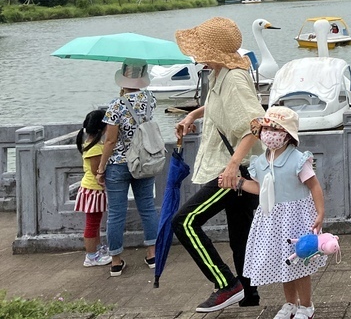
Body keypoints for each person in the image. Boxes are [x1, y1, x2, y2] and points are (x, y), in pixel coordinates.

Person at [173, 17, 266, 313]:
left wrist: (232, 166)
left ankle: (226, 284)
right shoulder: (221, 72)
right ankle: (249, 295)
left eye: (200, 47)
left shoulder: (234, 78)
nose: (195, 52)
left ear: (211, 51)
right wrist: (193, 116)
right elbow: (218, 105)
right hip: (233, 168)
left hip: (231, 171)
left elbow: (255, 126)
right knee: (240, 235)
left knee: (184, 222)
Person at [235, 106, 326, 319]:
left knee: (300, 262)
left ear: (287, 135)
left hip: (296, 218)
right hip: (272, 219)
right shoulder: (260, 162)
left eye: (275, 129)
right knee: (283, 263)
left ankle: (306, 306)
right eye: (266, 128)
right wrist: (238, 183)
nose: (269, 133)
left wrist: (320, 213)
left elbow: (314, 186)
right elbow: (260, 189)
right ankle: (290, 304)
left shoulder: (297, 159)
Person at [96, 62, 159, 277]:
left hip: (119, 164)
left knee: (116, 213)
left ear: (122, 78)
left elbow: (110, 141)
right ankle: (152, 254)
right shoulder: (151, 99)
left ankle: (115, 260)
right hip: (144, 161)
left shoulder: (116, 105)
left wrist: (101, 168)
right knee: (147, 208)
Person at [75, 109, 112, 268]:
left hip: (91, 190)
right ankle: (91, 256)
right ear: (102, 128)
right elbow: (97, 171)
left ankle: (96, 251)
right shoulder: (95, 148)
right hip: (93, 190)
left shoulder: (91, 144)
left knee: (94, 223)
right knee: (92, 224)